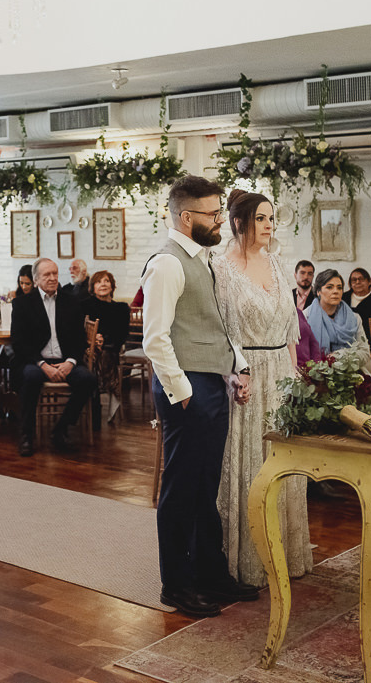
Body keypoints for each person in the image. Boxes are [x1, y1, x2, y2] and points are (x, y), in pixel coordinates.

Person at [141, 175, 260, 618]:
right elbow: (155, 339)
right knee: (181, 489)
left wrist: (237, 367)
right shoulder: (167, 264)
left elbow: (212, 324)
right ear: (187, 217)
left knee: (206, 487)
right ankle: (176, 585)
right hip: (187, 389)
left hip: (209, 384)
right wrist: (183, 392)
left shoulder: (202, 259)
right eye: (213, 214)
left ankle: (210, 574)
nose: (220, 221)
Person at [211, 189, 313, 588]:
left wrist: (294, 374)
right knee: (250, 465)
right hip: (245, 375)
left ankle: (285, 554)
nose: (270, 226)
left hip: (280, 374)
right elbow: (221, 331)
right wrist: (237, 372)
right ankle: (244, 562)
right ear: (239, 223)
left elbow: (291, 328)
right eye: (261, 218)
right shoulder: (221, 268)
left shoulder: (277, 263)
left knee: (282, 463)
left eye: (272, 218)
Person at [10, 257, 97, 457]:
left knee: (88, 379)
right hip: (36, 361)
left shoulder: (71, 301)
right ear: (36, 279)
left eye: (55, 273)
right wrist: (42, 365)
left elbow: (79, 339)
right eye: (47, 274)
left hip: (65, 360)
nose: (52, 278)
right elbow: (19, 343)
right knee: (30, 377)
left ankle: (61, 429)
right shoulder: (22, 304)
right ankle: (26, 435)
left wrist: (70, 362)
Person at [80, 270, 130, 427]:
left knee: (102, 357)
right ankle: (94, 401)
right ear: (93, 287)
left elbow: (122, 335)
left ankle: (94, 400)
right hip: (88, 348)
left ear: (112, 286)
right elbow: (79, 330)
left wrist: (104, 340)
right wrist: (93, 339)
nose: (103, 284)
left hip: (110, 349)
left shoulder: (121, 308)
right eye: (98, 281)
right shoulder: (85, 305)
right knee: (91, 356)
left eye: (106, 281)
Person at [304, 269, 371, 372]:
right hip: (314, 373)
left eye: (339, 288)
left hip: (349, 372)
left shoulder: (354, 318)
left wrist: (340, 357)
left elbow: (365, 353)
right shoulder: (305, 317)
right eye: (329, 287)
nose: (335, 291)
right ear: (318, 291)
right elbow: (300, 354)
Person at [342, 267, 371, 332]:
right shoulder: (343, 298)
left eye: (361, 279)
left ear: (369, 281)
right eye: (354, 280)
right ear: (350, 284)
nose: (357, 282)